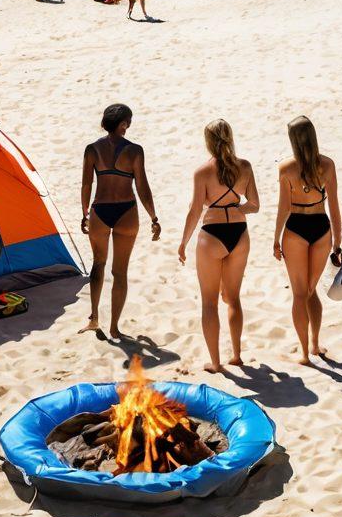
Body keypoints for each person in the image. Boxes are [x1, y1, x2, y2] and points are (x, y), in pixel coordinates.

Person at [178, 120, 260, 372]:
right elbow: (255, 205)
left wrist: (183, 242)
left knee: (209, 302)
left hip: (211, 235)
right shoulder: (244, 167)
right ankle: (236, 355)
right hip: (239, 233)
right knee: (233, 299)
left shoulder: (202, 172)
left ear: (208, 142)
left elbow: (194, 211)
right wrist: (236, 207)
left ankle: (215, 362)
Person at [80, 103, 160, 338]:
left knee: (98, 264)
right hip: (126, 210)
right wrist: (153, 217)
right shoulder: (135, 151)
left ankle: (94, 318)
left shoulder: (92, 149)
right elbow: (142, 186)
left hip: (100, 209)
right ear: (123, 124)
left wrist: (84, 213)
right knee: (120, 272)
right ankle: (114, 327)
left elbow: (87, 184)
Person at [273, 116, 342, 365]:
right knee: (310, 292)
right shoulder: (328, 165)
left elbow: (284, 208)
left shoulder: (286, 169)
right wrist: (337, 241)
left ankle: (304, 353)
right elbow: (334, 206)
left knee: (300, 294)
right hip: (321, 228)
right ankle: (314, 344)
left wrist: (276, 237)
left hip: (296, 230)